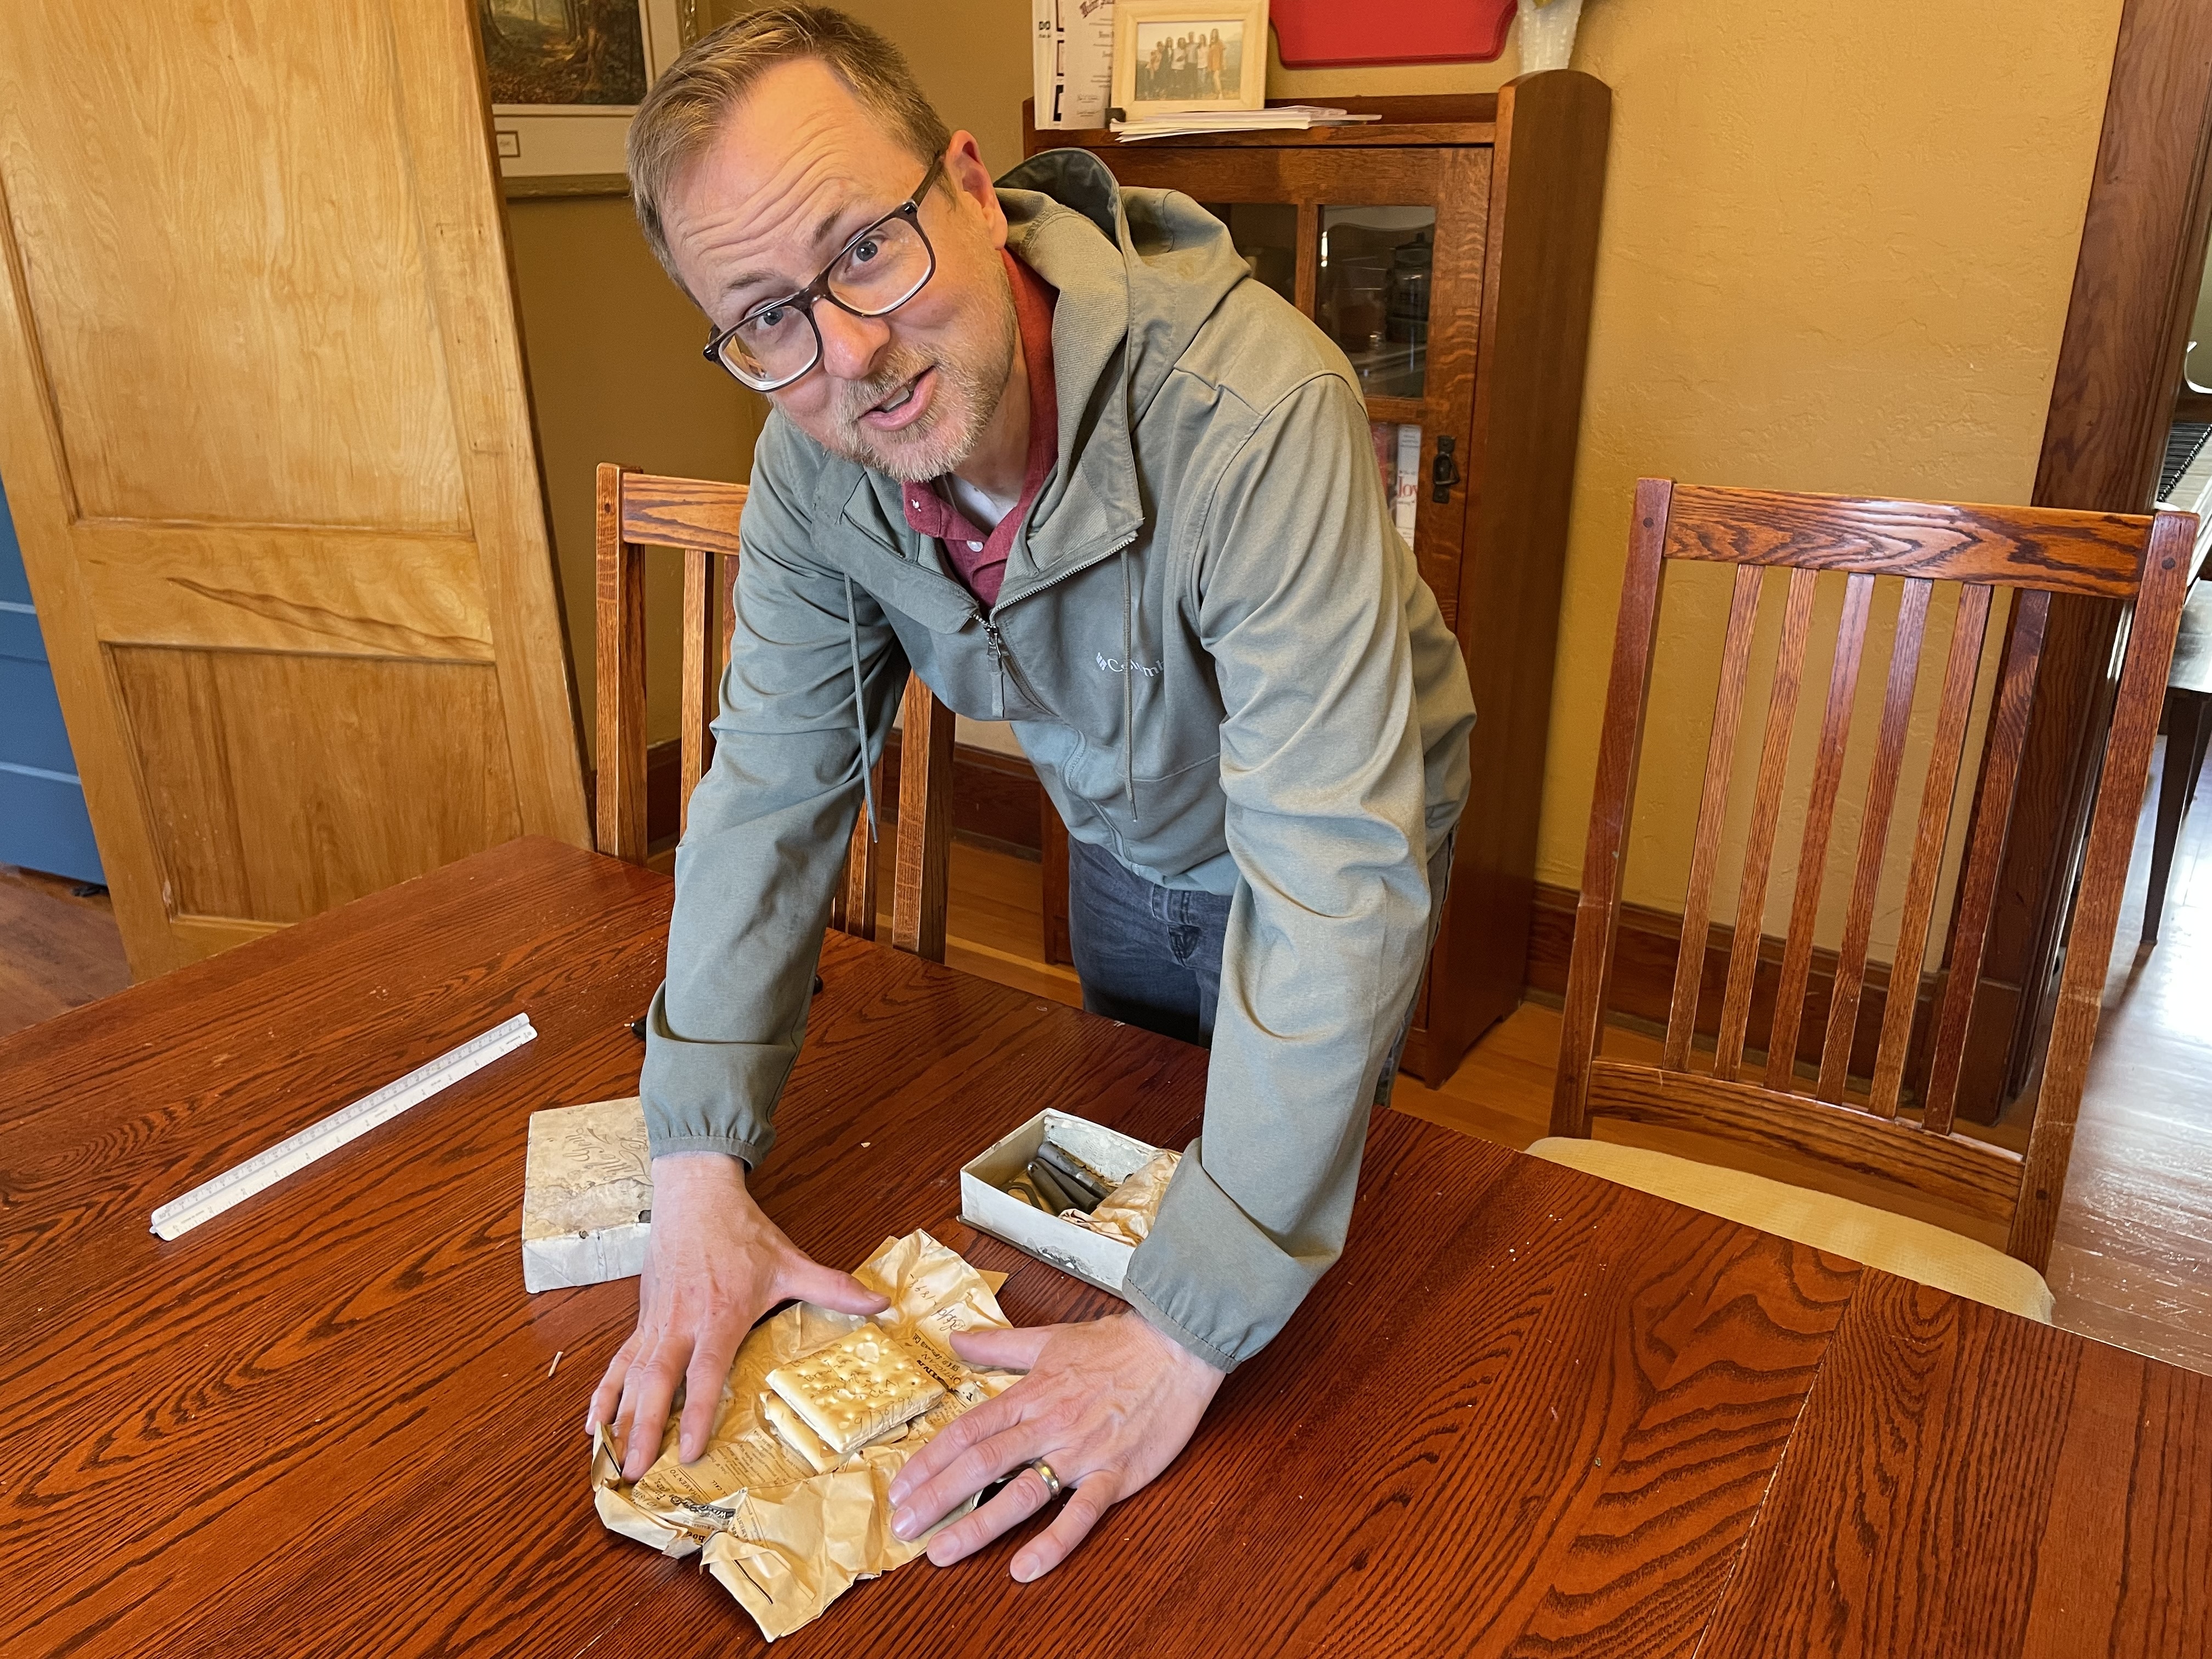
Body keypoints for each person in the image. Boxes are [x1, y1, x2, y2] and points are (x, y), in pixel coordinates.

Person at [593, 4, 1474, 1585]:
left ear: (972, 187)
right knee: (1134, 1151)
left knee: (1299, 1296)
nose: (849, 351)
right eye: (767, 317)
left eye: (867, 248)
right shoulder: (815, 465)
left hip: (1338, 810)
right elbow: (769, 787)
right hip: (1129, 814)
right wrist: (696, 1169)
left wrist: (1183, 1341)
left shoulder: (1259, 411)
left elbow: (1334, 878)